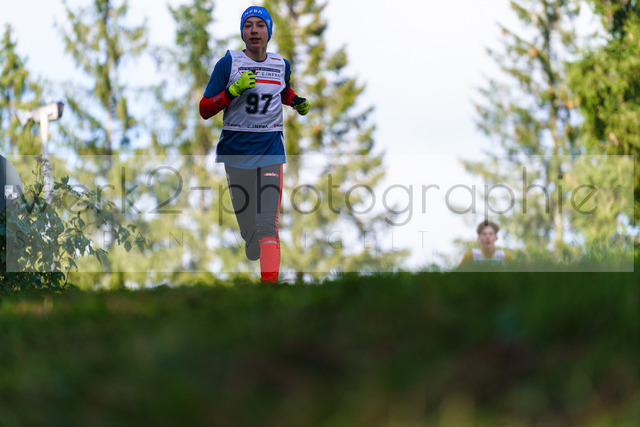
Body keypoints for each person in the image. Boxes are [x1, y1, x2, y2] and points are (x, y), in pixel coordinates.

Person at [199, 6, 310, 283]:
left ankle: (268, 290)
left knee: (267, 224)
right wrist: (231, 91)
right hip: (236, 152)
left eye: (260, 25)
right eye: (248, 25)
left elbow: (282, 89)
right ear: (242, 32)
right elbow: (204, 109)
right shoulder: (229, 64)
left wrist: (295, 101)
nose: (254, 31)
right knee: (250, 228)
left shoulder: (281, 65)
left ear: (269, 31)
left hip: (270, 149)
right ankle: (250, 239)